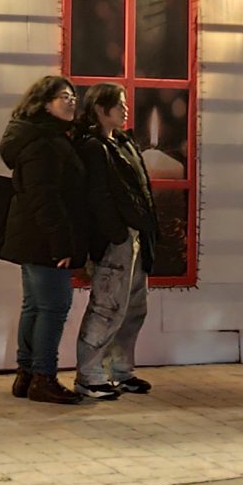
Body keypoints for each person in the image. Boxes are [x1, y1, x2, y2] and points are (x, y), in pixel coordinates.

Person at [0, 75, 87, 406]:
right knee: (53, 306)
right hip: (44, 240)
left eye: (73, 96)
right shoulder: (44, 144)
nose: (71, 101)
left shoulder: (42, 138)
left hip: (33, 237)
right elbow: (44, 198)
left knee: (35, 305)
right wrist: (61, 244)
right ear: (43, 103)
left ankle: (27, 375)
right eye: (63, 96)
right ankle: (43, 377)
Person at [71, 82, 158, 401]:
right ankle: (90, 373)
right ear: (99, 109)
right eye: (118, 104)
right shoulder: (94, 147)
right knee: (108, 306)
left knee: (134, 306)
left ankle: (119, 369)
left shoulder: (122, 142)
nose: (125, 109)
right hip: (115, 240)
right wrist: (117, 233)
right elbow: (97, 196)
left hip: (135, 236)